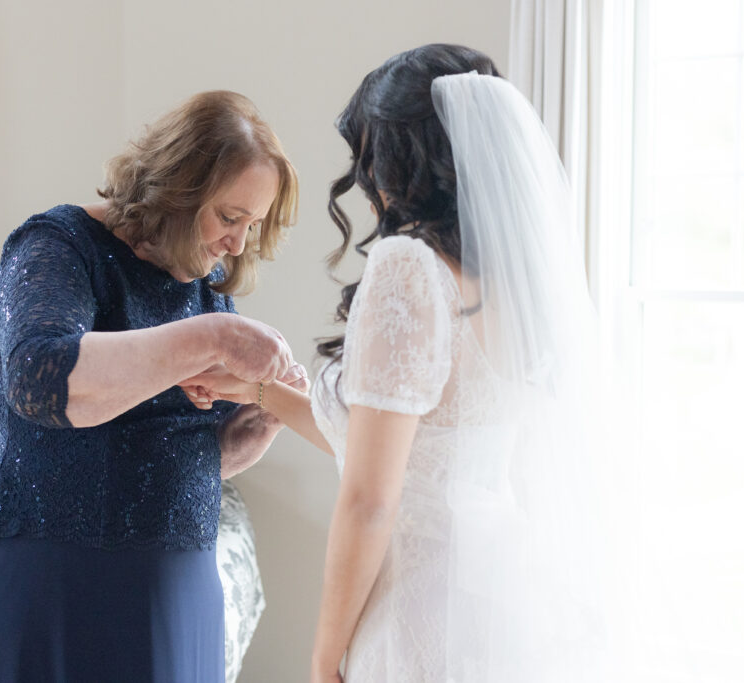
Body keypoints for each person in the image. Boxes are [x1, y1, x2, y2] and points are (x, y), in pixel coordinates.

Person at [184, 44, 610, 682]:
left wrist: (326, 656)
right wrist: (259, 391)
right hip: (506, 601)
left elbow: (370, 499)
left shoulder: (410, 265)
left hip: (422, 609)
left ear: (404, 155)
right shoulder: (518, 282)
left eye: (369, 154)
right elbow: (416, 449)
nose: (366, 179)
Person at [0, 90, 305, 683]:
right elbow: (39, 381)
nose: (239, 245)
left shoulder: (203, 283)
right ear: (178, 187)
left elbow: (189, 454)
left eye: (253, 225)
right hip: (55, 578)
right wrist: (215, 336)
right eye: (228, 217)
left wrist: (264, 416)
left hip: (178, 587)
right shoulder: (59, 245)